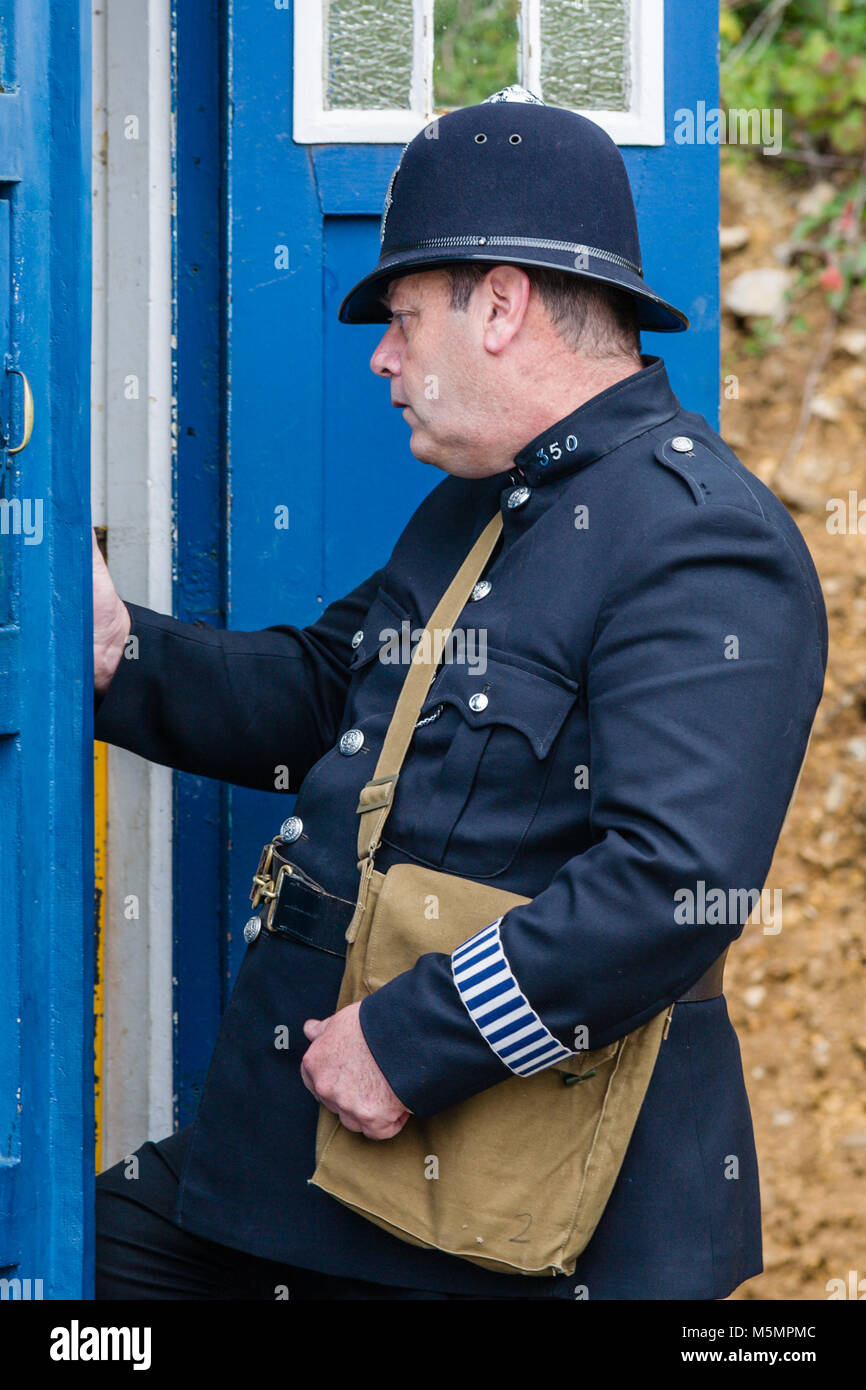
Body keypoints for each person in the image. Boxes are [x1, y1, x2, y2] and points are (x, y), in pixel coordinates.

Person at [93, 88, 827, 1300]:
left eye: (401, 314)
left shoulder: (703, 541)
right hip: (299, 1172)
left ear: (499, 303)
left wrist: (410, 1039)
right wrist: (127, 657)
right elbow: (330, 696)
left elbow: (670, 883)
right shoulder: (478, 505)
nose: (383, 353)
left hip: (513, 1215)